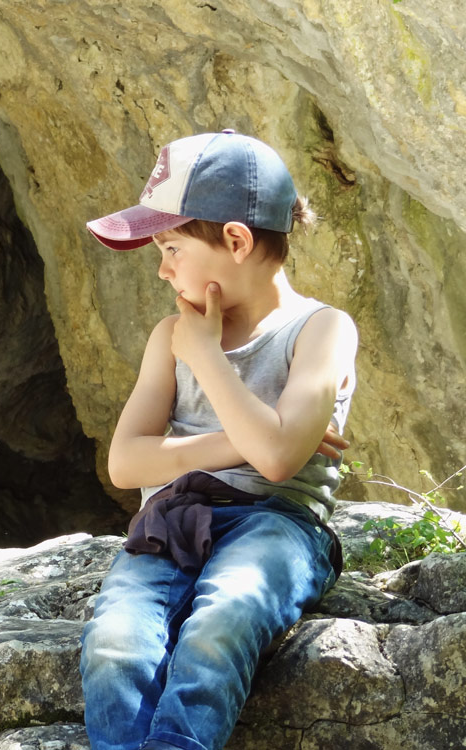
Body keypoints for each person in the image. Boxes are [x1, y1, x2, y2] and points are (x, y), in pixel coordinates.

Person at [79, 130, 358, 750]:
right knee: (115, 642)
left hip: (276, 526)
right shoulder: (166, 337)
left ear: (235, 239)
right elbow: (126, 463)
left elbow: (280, 463)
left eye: (172, 246)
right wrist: (250, 441)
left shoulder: (321, 330)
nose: (162, 268)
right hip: (171, 519)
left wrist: (207, 356)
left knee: (221, 623)